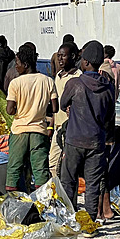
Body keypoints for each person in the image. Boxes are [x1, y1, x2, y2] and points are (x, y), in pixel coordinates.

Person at [59, 41, 115, 229]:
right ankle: (89, 223)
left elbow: (62, 104)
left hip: (74, 139)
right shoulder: (108, 88)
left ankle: (68, 219)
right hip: (96, 141)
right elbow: (109, 116)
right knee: (92, 184)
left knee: (69, 180)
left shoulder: (74, 83)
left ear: (86, 62)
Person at [5, 45, 58, 192]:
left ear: (25, 65)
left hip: (19, 131)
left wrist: (19, 107)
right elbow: (55, 108)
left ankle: (14, 204)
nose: (16, 66)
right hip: (39, 131)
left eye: (18, 63)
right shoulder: (48, 81)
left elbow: (9, 110)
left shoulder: (15, 83)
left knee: (14, 169)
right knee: (40, 170)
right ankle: (41, 204)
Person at [49, 42, 81, 176]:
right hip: (58, 127)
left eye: (63, 56)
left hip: (72, 129)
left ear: (73, 56)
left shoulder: (78, 77)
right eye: (59, 56)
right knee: (52, 162)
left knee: (69, 164)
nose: (60, 59)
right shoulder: (58, 75)